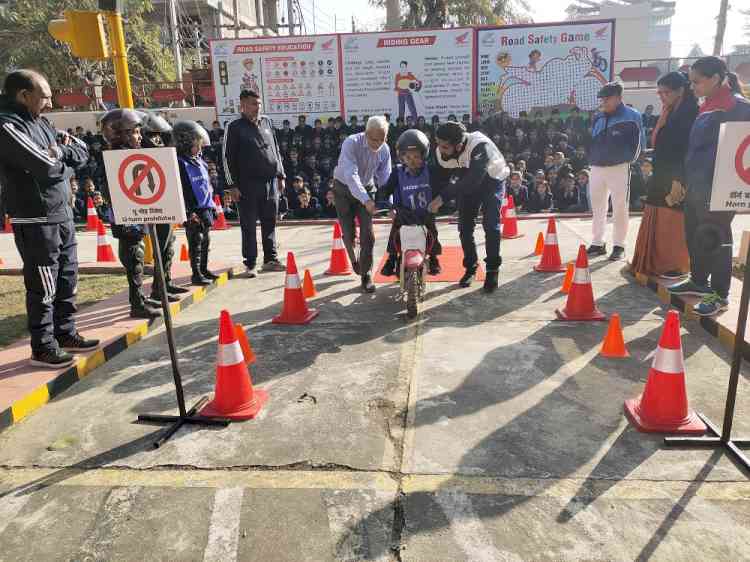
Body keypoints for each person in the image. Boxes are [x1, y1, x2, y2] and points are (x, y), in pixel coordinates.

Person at [0, 69, 99, 367]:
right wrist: (62, 162)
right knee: (43, 285)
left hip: (62, 214)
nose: (50, 103)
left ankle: (65, 332)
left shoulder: (41, 122)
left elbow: (82, 151)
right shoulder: (8, 126)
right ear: (23, 95)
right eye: (44, 97)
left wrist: (60, 155)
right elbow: (48, 168)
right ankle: (43, 347)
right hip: (36, 219)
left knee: (68, 278)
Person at [668, 57, 750, 316]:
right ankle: (699, 281)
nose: (692, 87)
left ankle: (720, 294)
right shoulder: (707, 105)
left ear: (715, 78)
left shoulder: (736, 106)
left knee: (717, 238)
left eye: (697, 82)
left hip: (720, 187)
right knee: (695, 234)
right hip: (698, 185)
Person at [429, 121, 510, 292]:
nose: (439, 149)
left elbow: (473, 181)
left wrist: (442, 199)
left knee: (491, 224)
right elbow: (439, 179)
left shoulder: (480, 145)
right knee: (465, 227)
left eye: (444, 146)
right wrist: (432, 198)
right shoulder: (441, 151)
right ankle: (471, 267)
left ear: (458, 146)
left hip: (492, 179)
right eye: (438, 144)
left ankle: (492, 270)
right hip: (466, 178)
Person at [631, 72, 697, 280]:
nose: (661, 97)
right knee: (657, 213)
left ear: (681, 90)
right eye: (659, 92)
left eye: (665, 92)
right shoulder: (669, 110)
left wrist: (680, 178)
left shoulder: (691, 112)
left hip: (678, 175)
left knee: (672, 218)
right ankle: (653, 262)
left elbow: (687, 148)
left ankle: (672, 265)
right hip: (662, 172)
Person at [99, 109, 162, 319]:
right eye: (135, 132)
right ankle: (136, 304)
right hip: (125, 218)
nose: (140, 136)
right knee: (134, 259)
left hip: (135, 214)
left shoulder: (129, 155)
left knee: (138, 255)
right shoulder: (113, 158)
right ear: (122, 134)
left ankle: (140, 298)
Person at [222, 89, 286, 277]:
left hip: (270, 182)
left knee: (270, 221)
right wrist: (232, 185)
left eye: (259, 103)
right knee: (249, 224)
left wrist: (281, 175)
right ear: (242, 105)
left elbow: (275, 149)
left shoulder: (266, 122)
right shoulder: (234, 126)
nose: (257, 107)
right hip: (246, 185)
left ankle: (270, 259)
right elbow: (227, 157)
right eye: (252, 104)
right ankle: (250, 263)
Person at [332, 115, 392, 293]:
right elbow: (351, 175)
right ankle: (354, 259)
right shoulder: (351, 143)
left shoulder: (384, 150)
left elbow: (385, 177)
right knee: (349, 233)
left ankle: (366, 274)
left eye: (382, 139)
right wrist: (365, 200)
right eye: (374, 139)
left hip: (367, 188)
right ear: (366, 133)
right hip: (343, 189)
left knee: (368, 234)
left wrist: (390, 204)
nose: (377, 144)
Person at [587, 82, 645, 261]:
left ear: (619, 98)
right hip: (596, 167)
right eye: (602, 98)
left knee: (620, 207)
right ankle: (598, 242)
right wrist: (591, 159)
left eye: (607, 98)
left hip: (619, 167)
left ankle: (619, 245)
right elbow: (591, 140)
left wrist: (626, 161)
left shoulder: (632, 116)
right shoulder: (598, 117)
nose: (603, 101)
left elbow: (638, 145)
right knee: (597, 206)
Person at [379, 129, 442, 278]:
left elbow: (441, 189)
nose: (412, 160)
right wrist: (387, 207)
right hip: (404, 213)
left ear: (424, 155)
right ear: (402, 157)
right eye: (408, 157)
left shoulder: (430, 171)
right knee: (395, 232)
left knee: (432, 232)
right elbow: (384, 191)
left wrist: (439, 202)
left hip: (425, 213)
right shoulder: (397, 172)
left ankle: (433, 258)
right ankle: (392, 258)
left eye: (417, 156)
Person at [140, 112, 188, 302]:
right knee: (161, 245)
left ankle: (165, 282)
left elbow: (170, 148)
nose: (158, 139)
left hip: (165, 200)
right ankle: (158, 288)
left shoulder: (160, 141)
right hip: (155, 202)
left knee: (168, 246)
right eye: (154, 134)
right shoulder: (145, 145)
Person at [175, 120, 219, 285]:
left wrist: (212, 206)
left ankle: (204, 269)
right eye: (196, 145)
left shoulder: (199, 160)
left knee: (206, 239)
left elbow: (206, 184)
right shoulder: (180, 162)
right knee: (196, 240)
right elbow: (182, 189)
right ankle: (196, 273)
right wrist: (188, 211)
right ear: (185, 144)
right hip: (193, 208)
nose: (200, 148)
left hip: (205, 206)